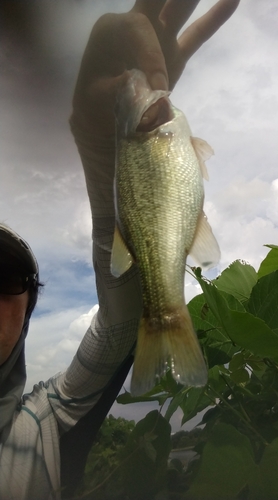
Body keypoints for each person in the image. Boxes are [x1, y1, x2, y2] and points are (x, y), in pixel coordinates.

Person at [0, 1, 240, 498]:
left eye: (5, 279)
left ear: (27, 310)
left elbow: (117, 323)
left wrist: (102, 151)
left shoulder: (46, 417)